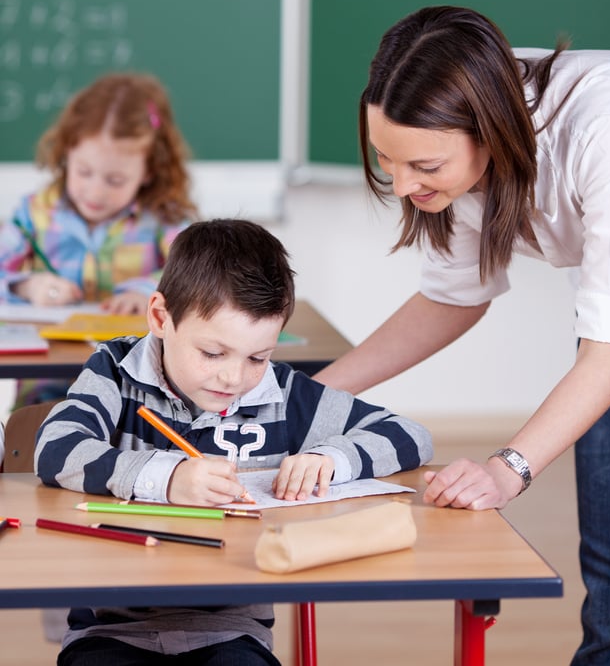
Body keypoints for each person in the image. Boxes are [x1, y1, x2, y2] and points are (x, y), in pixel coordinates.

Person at [314, 5, 610, 666]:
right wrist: (312, 395)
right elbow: (452, 300)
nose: (401, 184)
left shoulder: (608, 121)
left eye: (422, 165)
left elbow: (607, 355)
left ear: (488, 130)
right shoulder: (460, 133)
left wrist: (508, 468)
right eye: (384, 159)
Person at [35, 218, 433, 666]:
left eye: (257, 357)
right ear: (161, 317)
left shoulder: (281, 394)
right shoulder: (114, 370)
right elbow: (55, 448)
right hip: (109, 628)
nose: (234, 377)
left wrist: (331, 457)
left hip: (230, 632)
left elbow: (408, 435)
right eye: (212, 353)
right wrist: (165, 477)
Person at [0, 71, 198, 406]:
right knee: (37, 436)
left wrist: (147, 289)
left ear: (149, 171)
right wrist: (26, 286)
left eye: (115, 180)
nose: (94, 191)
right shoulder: (34, 214)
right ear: (66, 154)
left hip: (135, 388)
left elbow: (199, 273)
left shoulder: (164, 219)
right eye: (84, 172)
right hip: (47, 386)